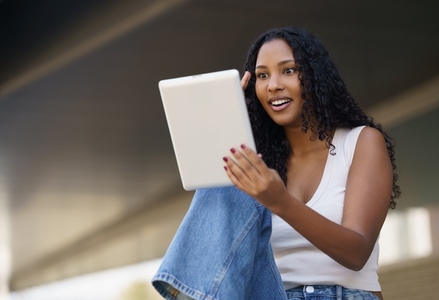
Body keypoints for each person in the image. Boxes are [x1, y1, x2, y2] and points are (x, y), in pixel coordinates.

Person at [152, 27, 401, 300]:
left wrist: (280, 201)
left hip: (345, 294)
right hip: (275, 294)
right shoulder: (261, 163)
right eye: (262, 75)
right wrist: (224, 123)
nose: (273, 85)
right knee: (229, 173)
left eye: (289, 70)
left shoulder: (360, 142)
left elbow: (357, 252)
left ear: (316, 75)